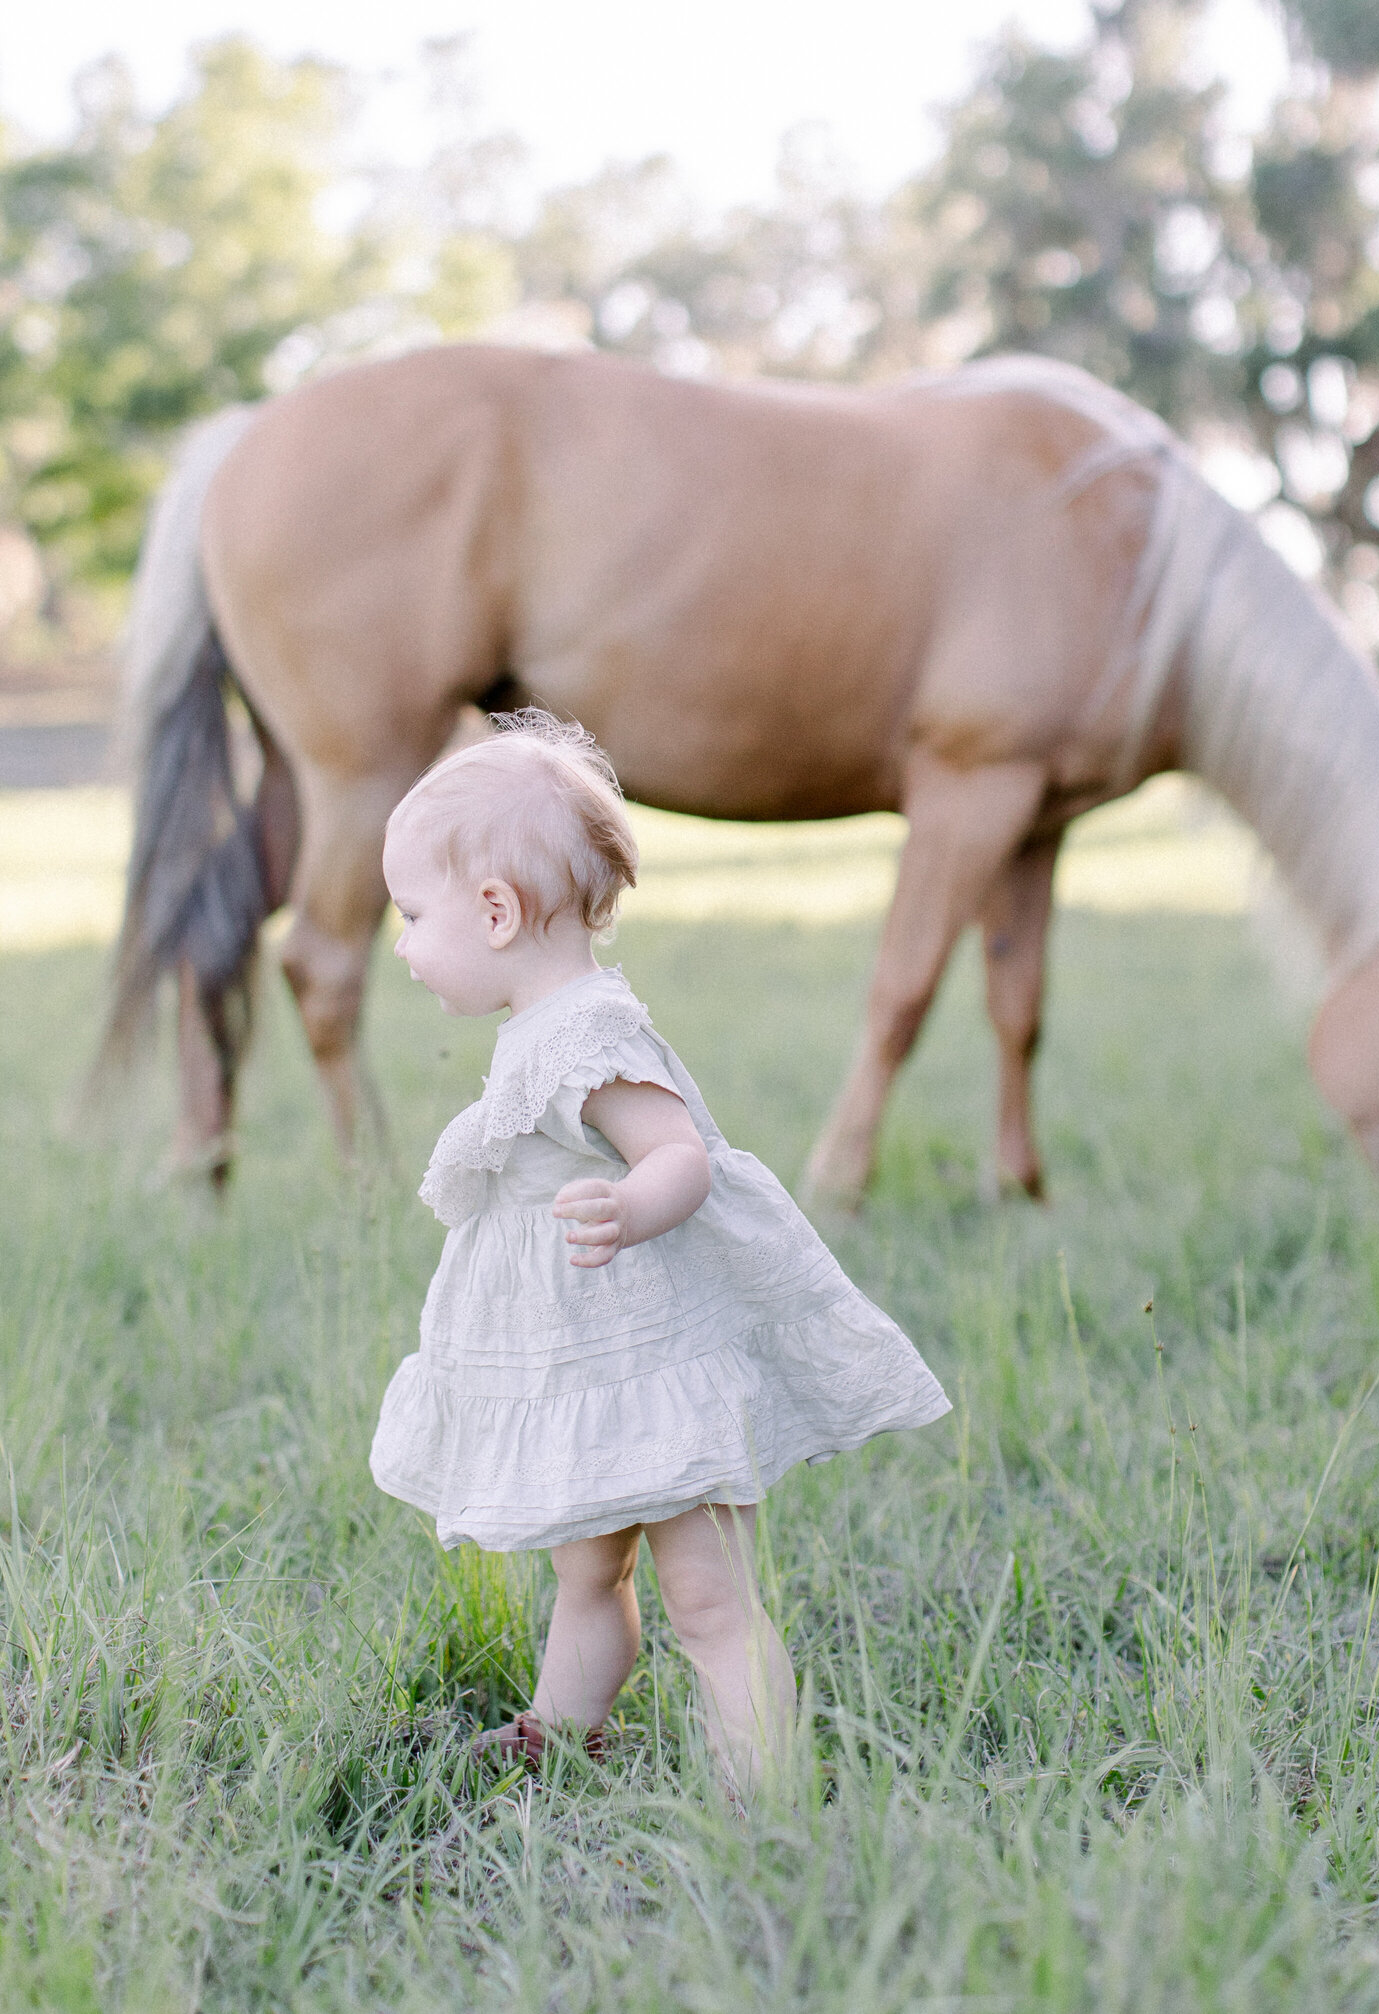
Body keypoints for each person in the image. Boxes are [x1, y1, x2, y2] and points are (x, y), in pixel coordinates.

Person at [370, 710, 951, 1793]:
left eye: (411, 914)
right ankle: (560, 1725)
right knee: (588, 1569)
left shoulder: (587, 1040)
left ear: (494, 911)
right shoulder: (545, 1029)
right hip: (593, 1368)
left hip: (654, 1368)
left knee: (707, 1598)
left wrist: (635, 1207)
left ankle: (759, 1789)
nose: (400, 942)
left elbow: (679, 1151)